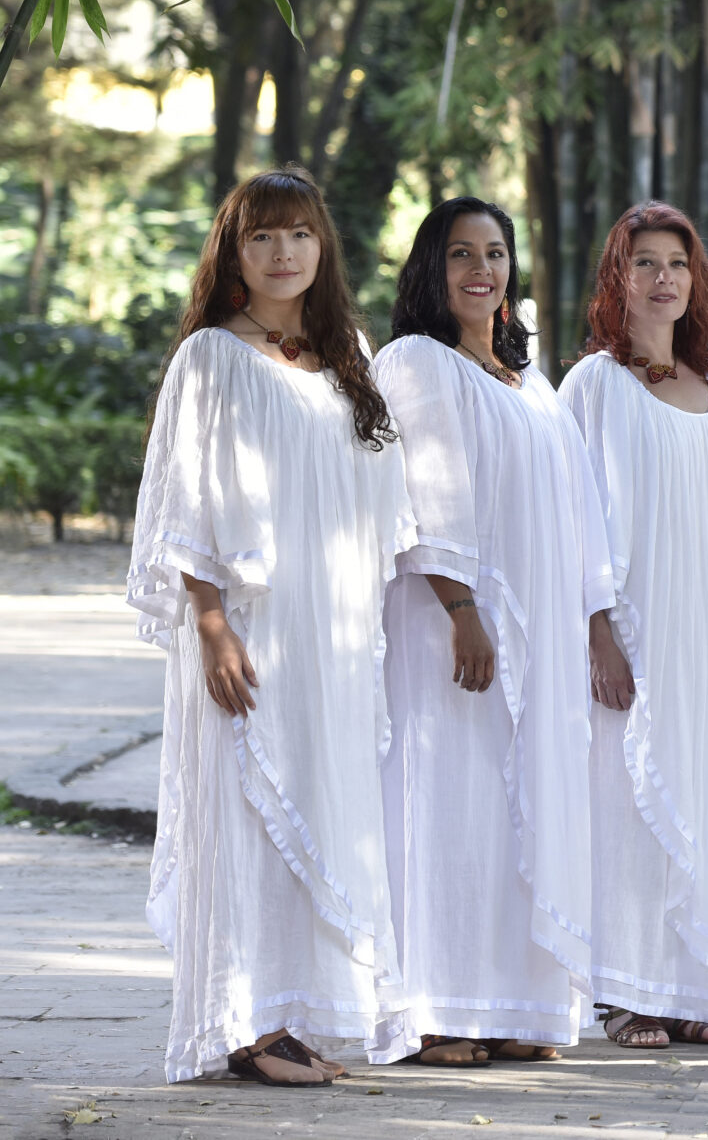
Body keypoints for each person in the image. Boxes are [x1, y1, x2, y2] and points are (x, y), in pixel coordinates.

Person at [128, 167, 412, 1084]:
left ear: (322, 247)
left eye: (299, 235)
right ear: (233, 253)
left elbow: (381, 507)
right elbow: (187, 499)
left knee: (324, 810)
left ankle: (298, 1013)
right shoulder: (211, 355)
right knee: (248, 812)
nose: (283, 252)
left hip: (330, 635)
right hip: (249, 629)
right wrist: (210, 625)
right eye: (262, 237)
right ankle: (245, 1026)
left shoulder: (348, 355)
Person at [372, 198, 613, 1065]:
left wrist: (596, 624)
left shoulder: (529, 378)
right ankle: (436, 1007)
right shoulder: (416, 361)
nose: (483, 268)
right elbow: (426, 496)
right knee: (453, 804)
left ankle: (516, 1003)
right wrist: (463, 611)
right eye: (461, 253)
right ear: (430, 269)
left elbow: (579, 512)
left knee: (526, 806)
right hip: (454, 629)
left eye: (497, 252)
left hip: (538, 630)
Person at [559, 202, 708, 1049]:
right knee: (633, 795)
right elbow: (574, 518)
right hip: (639, 624)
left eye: (678, 264)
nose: (663, 278)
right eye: (645, 262)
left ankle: (701, 981)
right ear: (616, 278)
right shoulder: (591, 384)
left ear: (697, 281)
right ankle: (633, 988)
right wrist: (596, 631)